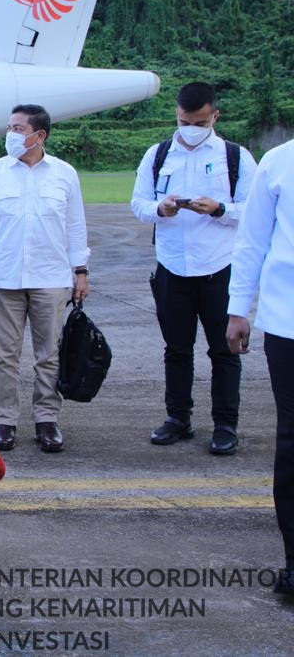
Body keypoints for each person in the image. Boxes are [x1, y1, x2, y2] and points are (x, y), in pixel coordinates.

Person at [131, 82, 256, 455]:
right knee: (177, 349)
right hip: (172, 267)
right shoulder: (157, 155)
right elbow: (138, 204)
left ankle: (225, 425)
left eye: (200, 122)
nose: (192, 128)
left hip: (219, 268)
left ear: (214, 116)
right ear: (176, 114)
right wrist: (161, 209)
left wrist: (219, 209)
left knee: (224, 351)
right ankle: (178, 418)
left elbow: (253, 211)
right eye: (186, 121)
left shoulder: (235, 157)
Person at [0, 104, 89, 453]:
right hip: (4, 277)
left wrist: (81, 271)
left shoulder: (64, 174)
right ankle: (5, 421)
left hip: (51, 276)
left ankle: (47, 419)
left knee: (49, 353)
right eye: (9, 127)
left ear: (40, 135)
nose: (11, 135)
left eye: (18, 129)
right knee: (5, 355)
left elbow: (75, 226)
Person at [226, 137, 294, 594]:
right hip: (288, 321)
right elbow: (252, 241)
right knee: (291, 440)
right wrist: (237, 308)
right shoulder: (279, 161)